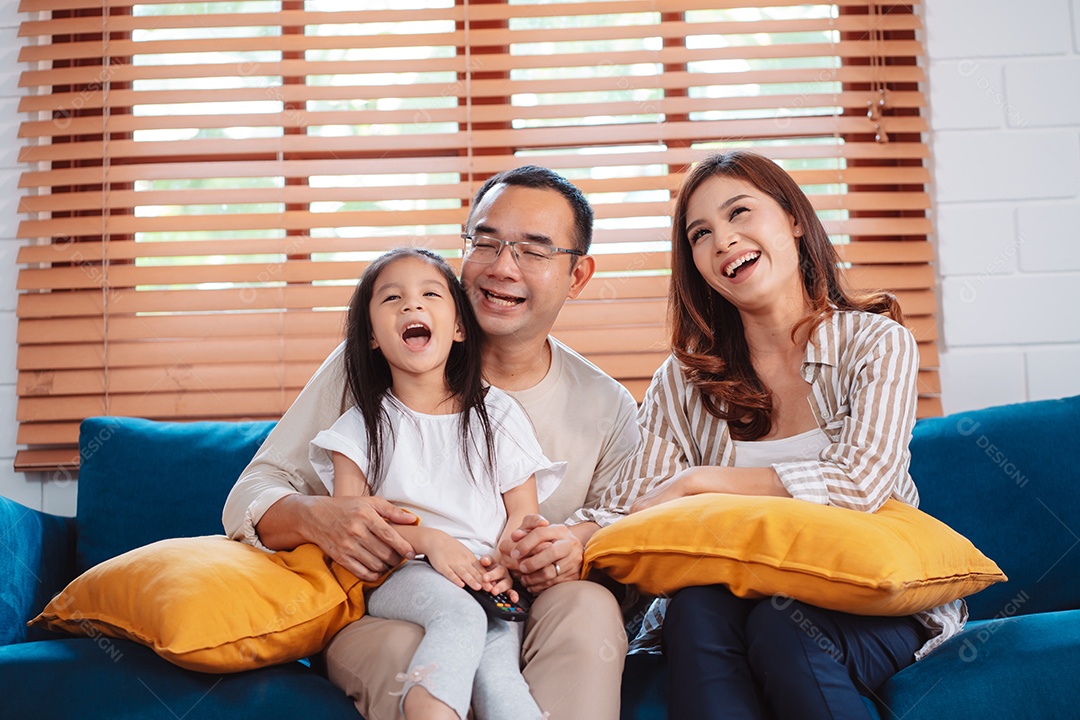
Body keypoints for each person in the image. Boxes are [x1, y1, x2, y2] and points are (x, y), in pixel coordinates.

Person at [222, 166, 640, 720]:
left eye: (533, 251)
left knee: (588, 604)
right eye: (485, 241)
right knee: (415, 646)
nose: (501, 266)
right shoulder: (372, 368)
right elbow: (249, 494)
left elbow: (630, 545)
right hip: (401, 604)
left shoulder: (607, 406)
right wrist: (317, 516)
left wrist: (573, 549)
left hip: (519, 610)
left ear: (578, 275)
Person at [598, 150, 967, 720]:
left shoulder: (874, 344)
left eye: (740, 212)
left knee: (781, 627)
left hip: (863, 601)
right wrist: (569, 539)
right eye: (701, 233)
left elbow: (861, 482)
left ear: (794, 218)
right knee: (693, 607)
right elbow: (632, 505)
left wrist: (698, 482)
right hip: (722, 602)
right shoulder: (683, 379)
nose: (723, 240)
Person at [310, 247, 558, 720]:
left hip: (484, 578)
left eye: (429, 294)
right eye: (392, 299)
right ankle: (426, 707)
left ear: (460, 328)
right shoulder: (357, 429)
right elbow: (350, 526)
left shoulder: (499, 416)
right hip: (402, 572)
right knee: (459, 615)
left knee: (498, 669)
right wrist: (430, 541)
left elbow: (524, 514)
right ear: (372, 340)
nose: (412, 306)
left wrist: (507, 559)